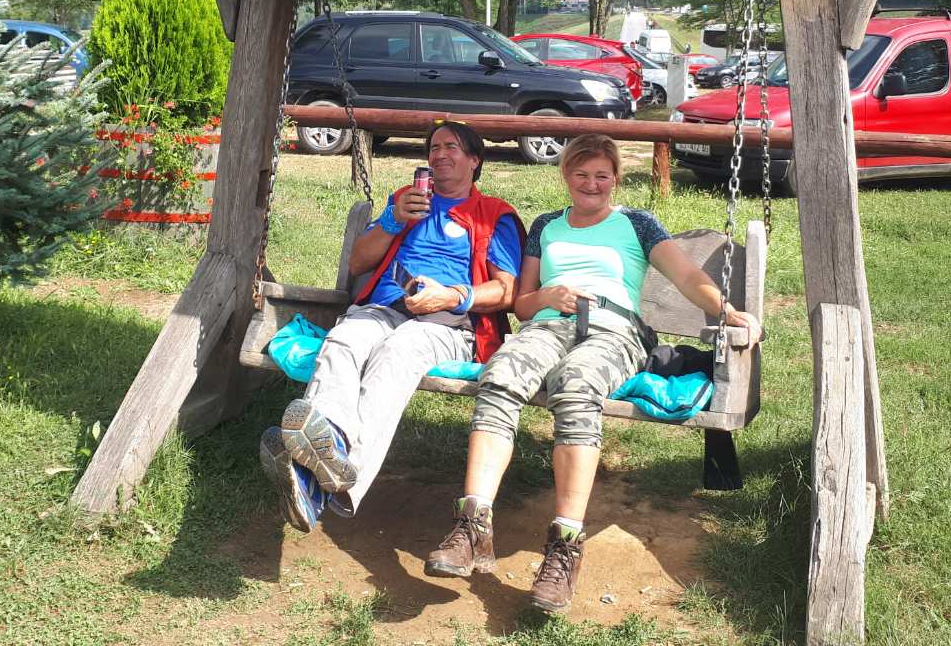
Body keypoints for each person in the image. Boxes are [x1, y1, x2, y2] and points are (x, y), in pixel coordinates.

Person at [423, 134, 761, 613]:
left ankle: (565, 547)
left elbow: (686, 276)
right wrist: (547, 296)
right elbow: (522, 305)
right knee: (499, 377)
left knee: (577, 385)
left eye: (602, 175)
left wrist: (727, 311)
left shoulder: (637, 224)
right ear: (566, 176)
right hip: (548, 325)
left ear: (616, 178)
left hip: (614, 332)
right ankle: (472, 525)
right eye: (581, 174)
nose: (591, 184)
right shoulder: (546, 226)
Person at [260, 121, 525, 532]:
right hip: (383, 308)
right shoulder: (405, 200)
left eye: (451, 147)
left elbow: (507, 290)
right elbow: (358, 263)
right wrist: (391, 220)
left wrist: (452, 296)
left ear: (475, 160)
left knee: (398, 352)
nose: (439, 154)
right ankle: (330, 442)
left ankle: (324, 483)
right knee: (344, 339)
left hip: (448, 322)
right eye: (434, 148)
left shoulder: (493, 214)